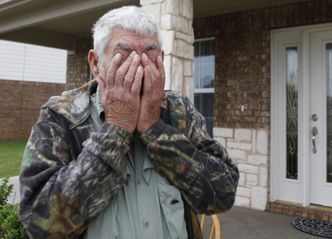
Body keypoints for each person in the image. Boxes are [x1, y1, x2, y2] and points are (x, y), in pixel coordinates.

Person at [19, 5, 239, 239]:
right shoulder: (61, 117)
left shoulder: (179, 111)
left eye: (149, 55)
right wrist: (117, 127)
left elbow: (222, 195)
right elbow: (39, 222)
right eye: (124, 56)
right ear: (95, 63)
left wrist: (155, 129)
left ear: (161, 60)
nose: (139, 68)